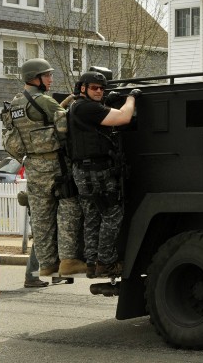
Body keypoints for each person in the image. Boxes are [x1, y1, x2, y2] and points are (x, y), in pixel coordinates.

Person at [8, 58, 86, 278]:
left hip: (32, 164)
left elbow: (41, 122)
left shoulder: (15, 103)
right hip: (55, 164)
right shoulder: (43, 100)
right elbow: (65, 123)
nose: (51, 79)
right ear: (35, 78)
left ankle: (47, 264)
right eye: (47, 75)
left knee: (41, 216)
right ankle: (69, 261)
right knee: (69, 207)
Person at [67, 71, 139, 278]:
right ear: (83, 88)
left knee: (93, 216)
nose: (99, 91)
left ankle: (91, 263)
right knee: (112, 214)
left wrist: (109, 101)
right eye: (94, 88)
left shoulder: (78, 107)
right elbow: (124, 117)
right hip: (96, 172)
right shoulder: (87, 108)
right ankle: (106, 262)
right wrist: (131, 98)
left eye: (101, 88)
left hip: (84, 171)